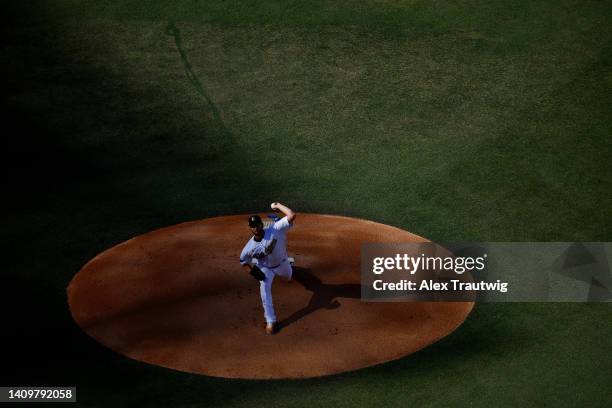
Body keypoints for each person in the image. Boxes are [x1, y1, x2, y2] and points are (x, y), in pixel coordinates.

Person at [240, 202, 296, 334]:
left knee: (289, 276)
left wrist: (277, 205)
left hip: (282, 263)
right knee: (264, 288)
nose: (256, 228)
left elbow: (291, 215)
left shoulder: (275, 229)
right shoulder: (249, 247)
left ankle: (290, 262)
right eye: (253, 226)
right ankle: (271, 320)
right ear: (250, 227)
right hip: (266, 268)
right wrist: (253, 272)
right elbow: (243, 262)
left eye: (258, 224)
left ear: (262, 224)